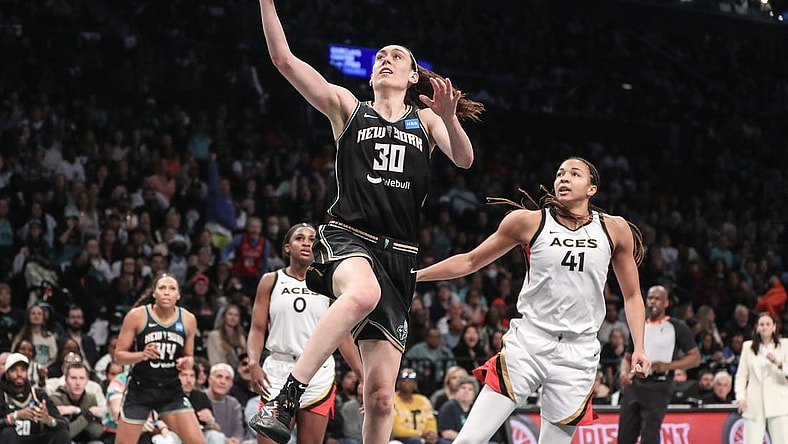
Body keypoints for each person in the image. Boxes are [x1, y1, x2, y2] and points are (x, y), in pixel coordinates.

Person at [250, 1, 483, 443]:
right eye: (380, 55)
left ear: (413, 76)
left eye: (396, 55)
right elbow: (283, 59)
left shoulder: (427, 120)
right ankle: (287, 394)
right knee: (362, 292)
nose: (385, 58)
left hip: (400, 256)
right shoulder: (347, 108)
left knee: (379, 398)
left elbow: (465, 159)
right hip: (348, 237)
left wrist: (451, 119)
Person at [416, 157, 650, 444]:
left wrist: (639, 346)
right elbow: (470, 261)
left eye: (575, 174)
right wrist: (414, 276)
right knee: (467, 441)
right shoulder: (528, 221)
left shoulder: (614, 229)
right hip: (529, 343)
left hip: (579, 352)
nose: (564, 178)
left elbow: (633, 295)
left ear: (592, 189)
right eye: (560, 173)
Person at [247, 224, 362, 444]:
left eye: (312, 239)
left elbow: (343, 335)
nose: (307, 242)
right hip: (277, 371)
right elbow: (257, 329)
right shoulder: (270, 281)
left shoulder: (330, 284)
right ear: (287, 248)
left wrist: (362, 374)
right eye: (300, 238)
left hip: (317, 373)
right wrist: (253, 364)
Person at [113, 274, 206, 444]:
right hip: (140, 390)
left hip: (171, 390)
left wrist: (187, 362)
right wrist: (141, 355)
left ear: (178, 295)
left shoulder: (188, 319)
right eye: (162, 288)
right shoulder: (137, 316)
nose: (166, 293)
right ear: (154, 293)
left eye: (172, 289)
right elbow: (118, 357)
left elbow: (189, 357)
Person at [617, 285, 700, 444]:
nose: (652, 302)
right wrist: (624, 373)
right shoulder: (639, 326)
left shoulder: (677, 327)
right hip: (635, 385)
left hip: (659, 387)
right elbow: (627, 357)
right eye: (650, 298)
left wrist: (668, 366)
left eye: (657, 299)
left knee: (650, 436)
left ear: (666, 303)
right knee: (625, 436)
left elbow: (695, 358)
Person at [735, 312, 788, 443]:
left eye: (768, 324)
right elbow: (741, 376)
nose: (764, 327)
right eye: (761, 324)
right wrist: (740, 397)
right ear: (757, 327)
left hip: (778, 402)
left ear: (774, 327)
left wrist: (778, 363)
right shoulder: (748, 347)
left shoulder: (784, 345)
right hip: (754, 403)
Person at [0, 352, 70, 443]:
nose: (19, 374)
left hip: (37, 439)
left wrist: (49, 420)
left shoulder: (39, 395)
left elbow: (64, 424)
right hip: (13, 439)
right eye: (14, 370)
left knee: (62, 434)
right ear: (7, 373)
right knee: (8, 433)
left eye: (23, 370)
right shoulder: (2, 395)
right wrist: (14, 416)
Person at [49, 362, 104, 443]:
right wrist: (87, 415)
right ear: (66, 380)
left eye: (82, 378)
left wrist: (78, 412)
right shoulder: (56, 399)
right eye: (73, 378)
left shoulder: (90, 398)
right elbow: (64, 435)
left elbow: (98, 432)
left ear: (87, 381)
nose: (78, 383)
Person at [391, 368, 438, 444]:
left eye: (411, 379)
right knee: (415, 442)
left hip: (424, 437)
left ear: (416, 384)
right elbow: (396, 430)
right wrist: (420, 434)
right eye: (403, 378)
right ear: (398, 383)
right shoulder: (392, 399)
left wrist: (431, 434)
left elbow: (431, 421)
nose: (407, 381)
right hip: (400, 439)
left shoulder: (423, 400)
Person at [436, 376, 478, 443]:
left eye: (470, 389)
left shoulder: (476, 410)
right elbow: (446, 433)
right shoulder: (449, 407)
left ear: (474, 395)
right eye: (463, 388)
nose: (466, 391)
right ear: (457, 391)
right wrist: (468, 441)